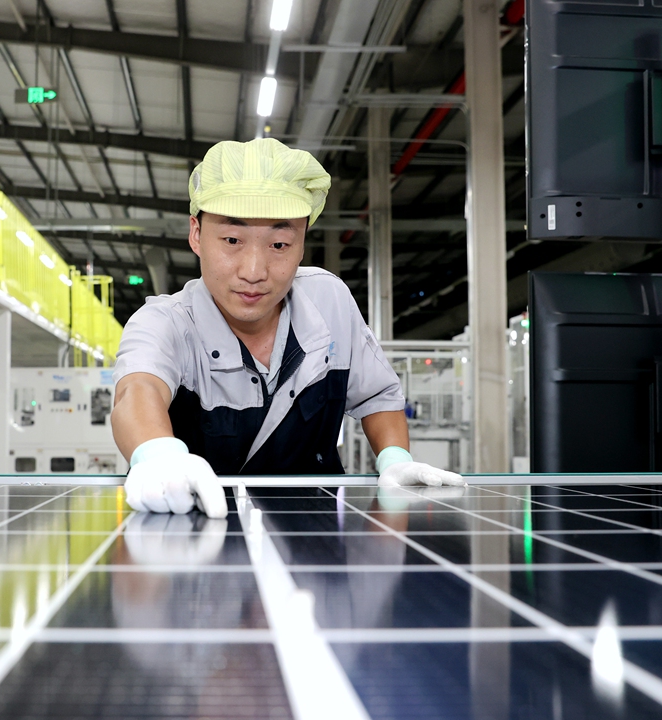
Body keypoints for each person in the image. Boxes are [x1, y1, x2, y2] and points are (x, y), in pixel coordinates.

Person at [110, 138, 464, 518]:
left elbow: (377, 398)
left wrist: (394, 459)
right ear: (196, 234)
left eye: (279, 244)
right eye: (232, 240)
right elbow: (137, 390)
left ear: (302, 244)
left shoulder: (329, 302)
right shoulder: (165, 322)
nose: (254, 271)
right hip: (189, 535)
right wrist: (158, 455)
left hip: (313, 541)